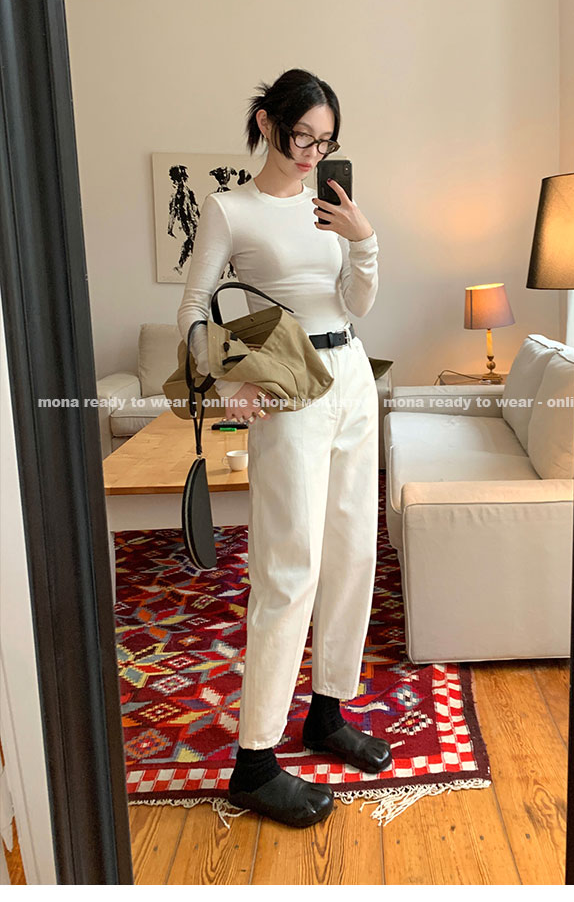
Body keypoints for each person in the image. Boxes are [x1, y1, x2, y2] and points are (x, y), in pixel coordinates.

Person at [176, 68, 390, 829]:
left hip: (353, 377)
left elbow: (355, 304)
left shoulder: (328, 209)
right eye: (302, 136)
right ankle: (255, 763)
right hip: (288, 389)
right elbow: (193, 308)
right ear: (267, 123)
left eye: (326, 142)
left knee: (353, 553)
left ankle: (327, 715)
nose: (311, 154)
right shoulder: (229, 210)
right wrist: (228, 378)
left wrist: (363, 242)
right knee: (288, 567)